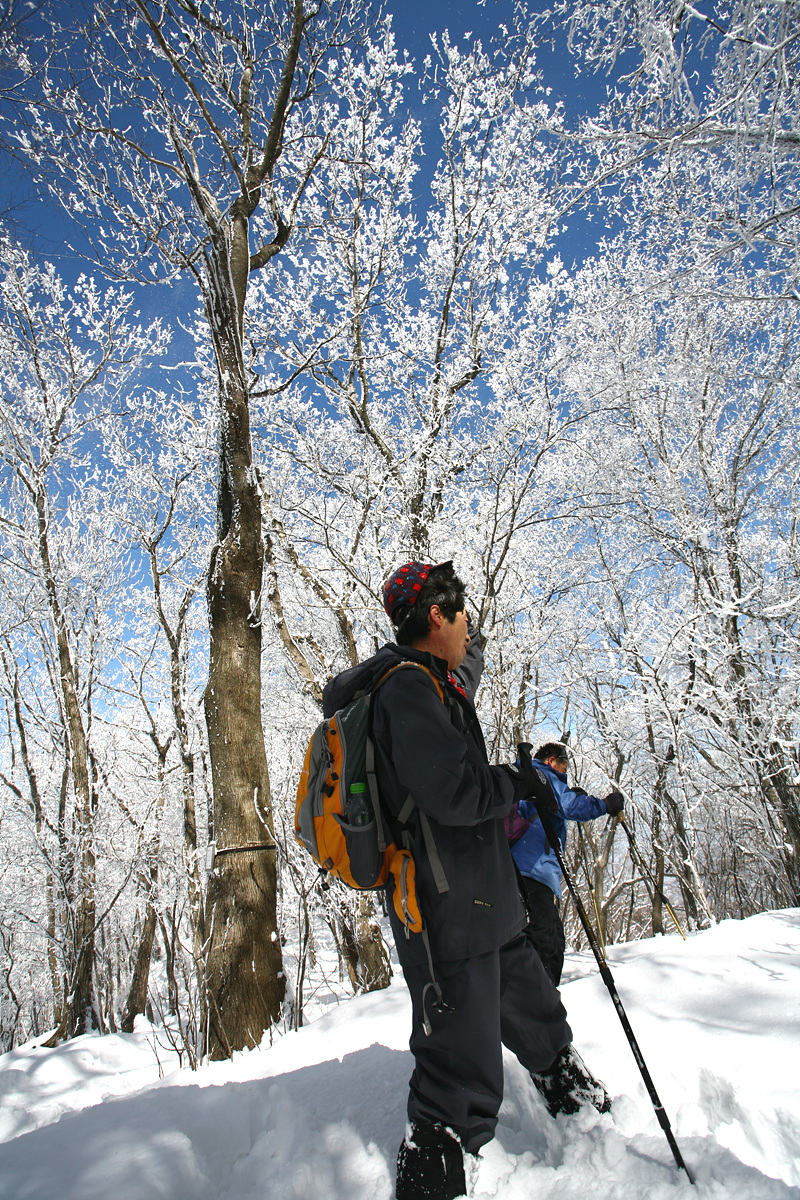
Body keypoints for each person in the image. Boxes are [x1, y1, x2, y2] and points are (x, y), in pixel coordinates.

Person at [322, 561, 610, 1200]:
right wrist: (519, 781)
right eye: (462, 616)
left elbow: (464, 680)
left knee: (532, 1005)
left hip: (486, 900)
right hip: (444, 913)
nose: (469, 626)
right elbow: (455, 790)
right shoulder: (406, 690)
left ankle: (568, 1089)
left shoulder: (434, 683)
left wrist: (474, 651)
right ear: (434, 618)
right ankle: (433, 1167)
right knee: (459, 1060)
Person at [510, 743, 624, 986]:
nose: (565, 769)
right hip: (532, 868)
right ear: (552, 761)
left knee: (552, 939)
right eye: (564, 763)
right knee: (544, 938)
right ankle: (534, 1000)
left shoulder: (534, 777)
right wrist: (605, 804)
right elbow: (570, 806)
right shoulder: (543, 776)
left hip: (529, 869)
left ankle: (542, 998)